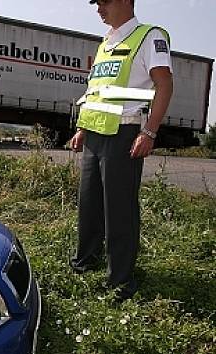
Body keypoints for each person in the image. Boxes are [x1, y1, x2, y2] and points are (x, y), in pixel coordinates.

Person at [69, 0, 173, 301]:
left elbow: (164, 85)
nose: (99, 9)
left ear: (127, 1)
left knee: (119, 210)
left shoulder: (149, 36)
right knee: (89, 204)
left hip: (124, 133)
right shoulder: (106, 43)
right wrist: (82, 129)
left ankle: (120, 282)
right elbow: (96, 89)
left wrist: (149, 132)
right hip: (95, 133)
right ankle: (85, 262)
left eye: (105, 2)